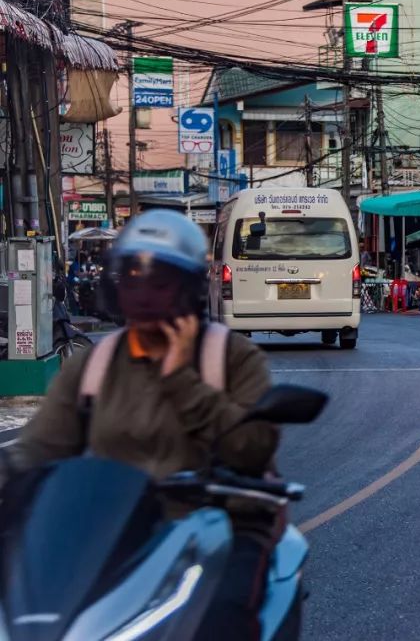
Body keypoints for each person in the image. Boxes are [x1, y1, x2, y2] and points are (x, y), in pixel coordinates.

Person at [0, 209, 279, 640]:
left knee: (227, 616)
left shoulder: (231, 357)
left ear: (187, 288)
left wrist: (179, 379)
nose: (145, 293)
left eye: (161, 281)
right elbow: (38, 448)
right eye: (133, 277)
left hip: (212, 528)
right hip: (111, 530)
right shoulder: (95, 364)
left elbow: (252, 447)